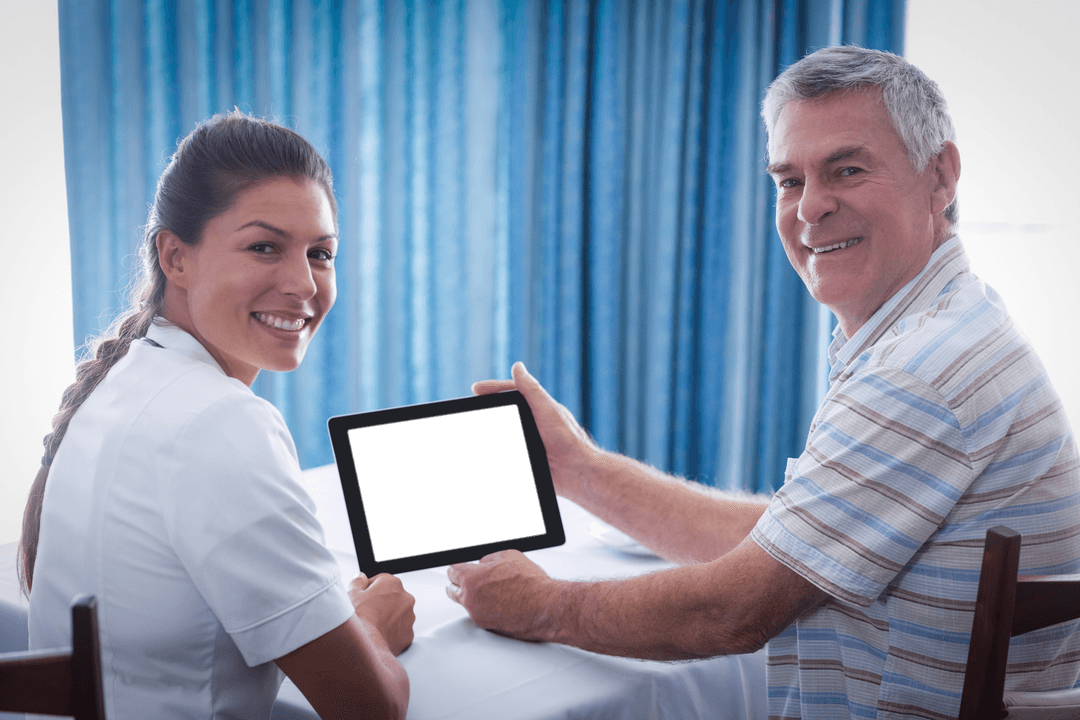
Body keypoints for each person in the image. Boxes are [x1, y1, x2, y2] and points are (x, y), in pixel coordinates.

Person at [446, 46, 1080, 718]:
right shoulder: (948, 320)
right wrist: (577, 468)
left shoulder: (922, 372)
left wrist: (542, 605)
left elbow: (736, 608)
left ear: (940, 175)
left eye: (847, 169)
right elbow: (788, 539)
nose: (810, 210)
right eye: (788, 181)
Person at [20, 112, 414, 720]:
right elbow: (370, 707)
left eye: (321, 253)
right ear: (175, 257)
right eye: (264, 247)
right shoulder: (220, 423)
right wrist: (372, 625)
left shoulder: (122, 379)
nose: (303, 284)